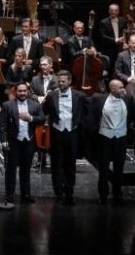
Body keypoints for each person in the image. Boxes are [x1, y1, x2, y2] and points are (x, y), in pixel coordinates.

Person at [88, 79, 135, 204]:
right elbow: (92, 115)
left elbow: (132, 116)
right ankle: (103, 194)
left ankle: (117, 194)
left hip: (121, 137)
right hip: (104, 137)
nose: (124, 89)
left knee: (119, 168)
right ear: (112, 89)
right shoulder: (99, 99)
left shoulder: (128, 99)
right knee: (103, 168)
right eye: (121, 87)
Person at [44, 70, 86, 205]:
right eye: (59, 81)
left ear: (69, 81)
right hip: (57, 132)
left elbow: (86, 112)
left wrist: (81, 124)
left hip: (72, 133)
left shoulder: (80, 96)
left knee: (70, 165)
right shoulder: (51, 96)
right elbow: (44, 111)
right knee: (56, 165)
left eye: (63, 81)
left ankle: (69, 193)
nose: (61, 83)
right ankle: (59, 193)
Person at [0, 83, 45, 206]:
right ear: (16, 92)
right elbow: (2, 125)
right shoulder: (7, 105)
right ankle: (9, 194)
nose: (22, 93)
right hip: (13, 141)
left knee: (26, 169)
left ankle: (26, 194)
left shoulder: (35, 105)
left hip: (29, 141)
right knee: (11, 170)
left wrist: (31, 118)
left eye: (24, 91)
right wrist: (3, 141)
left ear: (28, 91)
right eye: (20, 91)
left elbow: (42, 119)